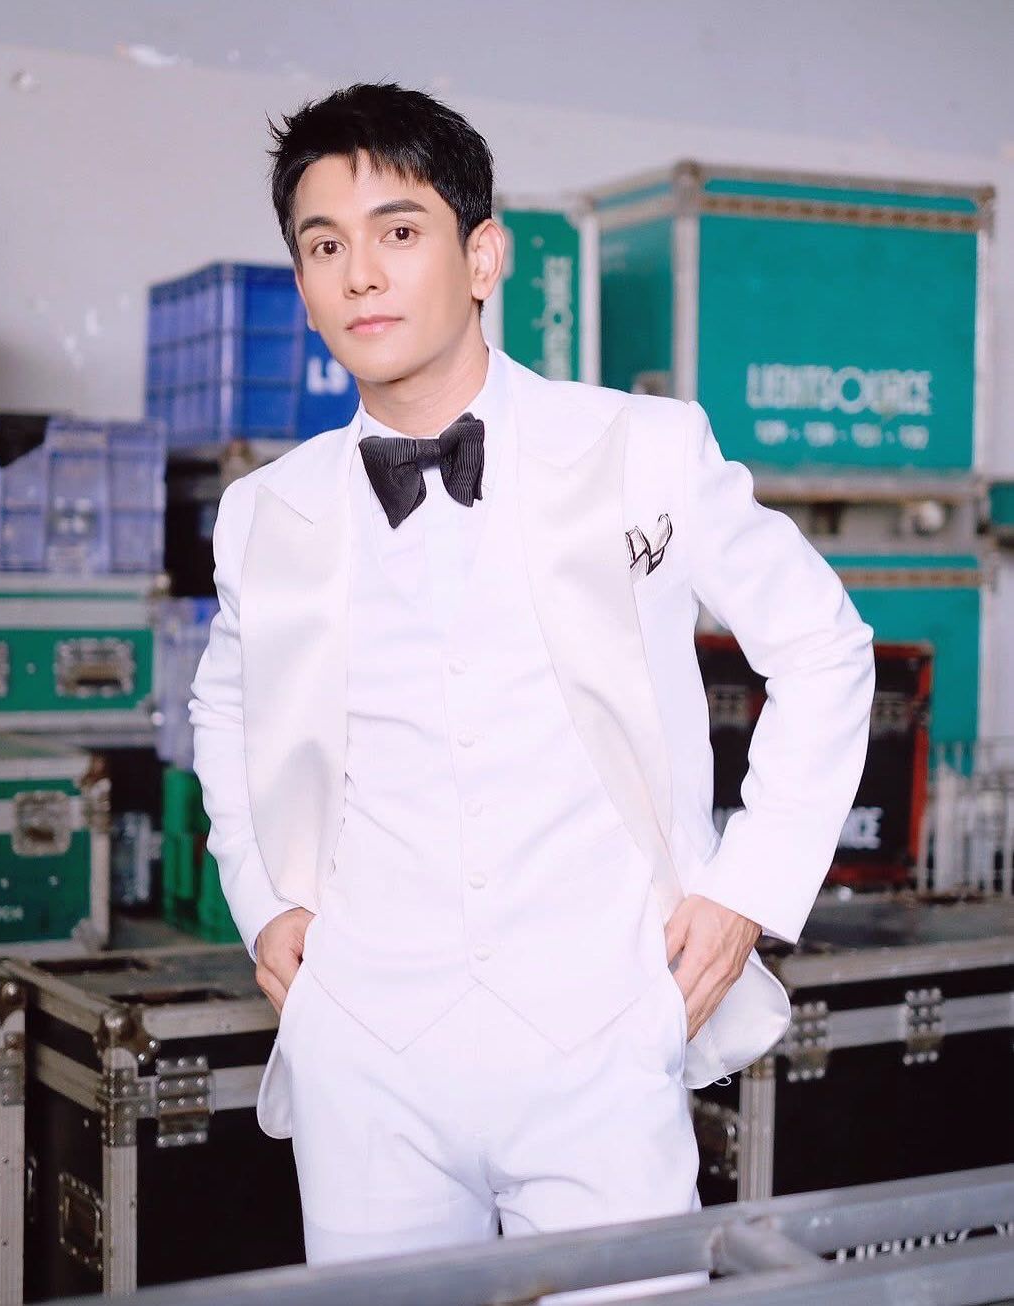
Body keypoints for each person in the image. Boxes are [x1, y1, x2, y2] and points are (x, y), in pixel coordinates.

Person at [188, 81, 875, 1299]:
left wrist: (745, 892)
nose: (360, 275)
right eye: (323, 246)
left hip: (598, 1033)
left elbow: (822, 645)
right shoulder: (264, 511)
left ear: (482, 255)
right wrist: (261, 897)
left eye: (400, 231)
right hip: (364, 1052)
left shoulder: (642, 447)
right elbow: (223, 708)